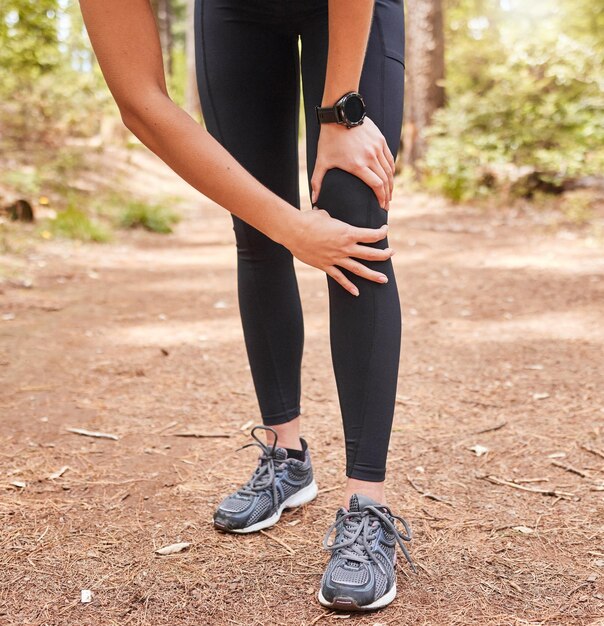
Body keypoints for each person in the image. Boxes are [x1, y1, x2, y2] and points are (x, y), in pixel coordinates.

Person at [80, 0, 414, 612]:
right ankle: (288, 459)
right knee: (258, 235)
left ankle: (367, 505)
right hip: (234, 15)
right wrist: (290, 227)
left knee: (356, 224)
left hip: (347, 14)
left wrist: (343, 111)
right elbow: (140, 105)